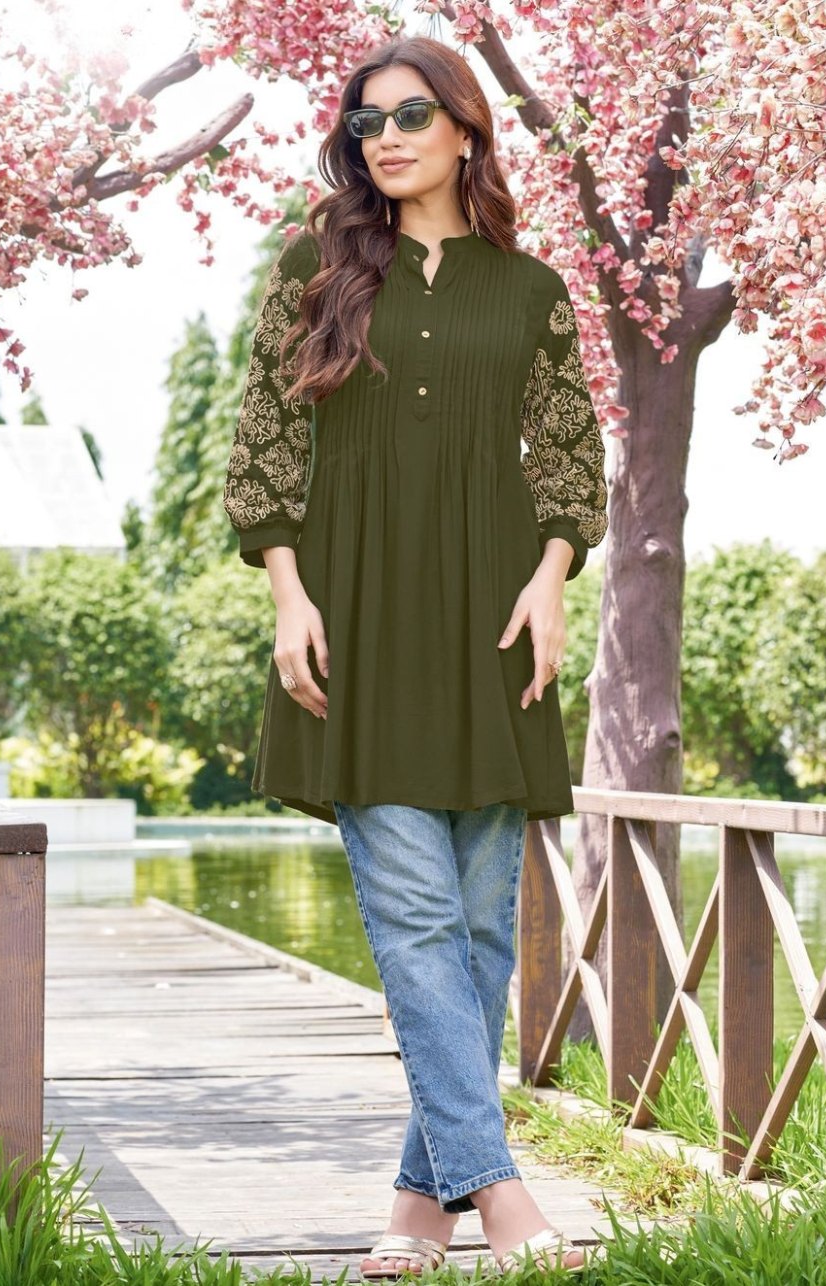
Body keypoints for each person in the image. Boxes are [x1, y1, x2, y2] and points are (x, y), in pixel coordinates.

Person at [223, 32, 608, 1280]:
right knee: (418, 917)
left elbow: (570, 454)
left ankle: (415, 1205)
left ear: (463, 127)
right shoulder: (314, 270)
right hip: (357, 616)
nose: (383, 137)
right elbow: (264, 444)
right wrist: (288, 594)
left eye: (408, 115)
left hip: (493, 621)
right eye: (365, 121)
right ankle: (500, 1191)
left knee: (482, 930)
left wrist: (553, 579)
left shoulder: (531, 290)